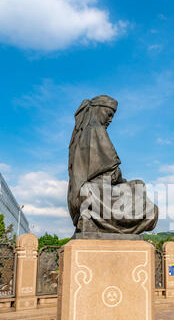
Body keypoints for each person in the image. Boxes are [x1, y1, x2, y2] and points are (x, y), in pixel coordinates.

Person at [68, 95, 158, 238]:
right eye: (109, 114)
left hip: (84, 192)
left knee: (136, 187)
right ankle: (124, 230)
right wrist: (120, 178)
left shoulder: (82, 133)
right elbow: (112, 171)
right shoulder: (96, 130)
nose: (110, 119)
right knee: (143, 196)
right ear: (98, 110)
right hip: (98, 191)